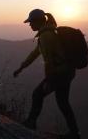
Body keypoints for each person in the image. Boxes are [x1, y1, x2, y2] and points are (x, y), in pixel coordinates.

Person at [14, 9, 80, 139]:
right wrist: (21, 67)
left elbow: (48, 62)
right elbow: (35, 54)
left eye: (31, 22)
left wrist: (48, 81)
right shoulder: (48, 33)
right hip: (67, 71)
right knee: (63, 102)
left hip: (60, 73)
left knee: (37, 94)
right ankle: (74, 133)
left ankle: (31, 122)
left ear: (38, 21)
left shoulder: (46, 36)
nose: (29, 25)